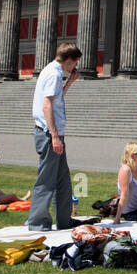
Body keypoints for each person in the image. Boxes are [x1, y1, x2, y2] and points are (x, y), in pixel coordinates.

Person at [27, 43, 82, 232]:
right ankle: (38, 223)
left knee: (62, 180)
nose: (74, 67)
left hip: (53, 133)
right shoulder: (53, 74)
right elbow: (47, 106)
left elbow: (57, 98)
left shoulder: (54, 72)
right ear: (68, 60)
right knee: (46, 180)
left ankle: (64, 220)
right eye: (74, 63)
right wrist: (54, 136)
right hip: (49, 134)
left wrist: (70, 82)